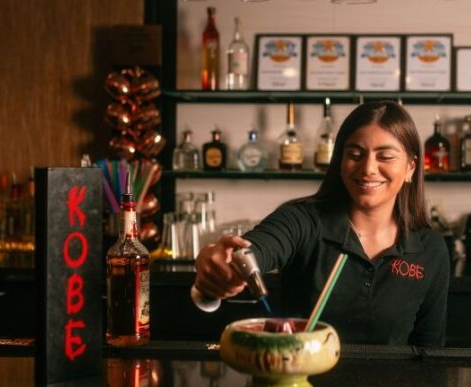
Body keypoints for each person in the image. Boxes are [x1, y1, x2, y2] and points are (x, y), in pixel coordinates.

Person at [192, 100, 449, 346]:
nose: (368, 168)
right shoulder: (302, 221)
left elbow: (428, 352)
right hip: (301, 385)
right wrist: (224, 262)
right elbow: (257, 247)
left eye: (385, 156)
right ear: (339, 163)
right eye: (355, 154)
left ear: (410, 168)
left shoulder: (431, 250)